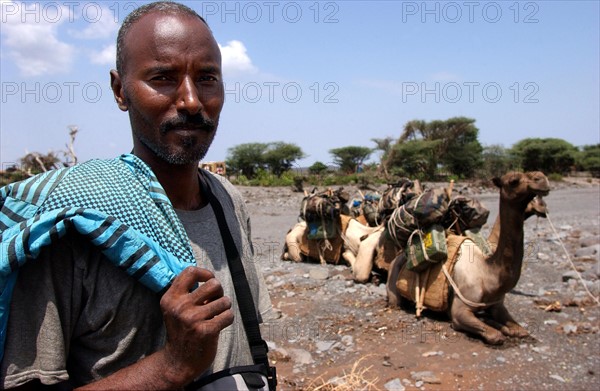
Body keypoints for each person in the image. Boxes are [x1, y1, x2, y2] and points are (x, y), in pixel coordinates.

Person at [0, 1, 273, 389]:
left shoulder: (227, 200)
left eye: (208, 78)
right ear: (119, 90)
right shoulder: (73, 223)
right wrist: (172, 366)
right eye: (163, 77)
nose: (192, 101)